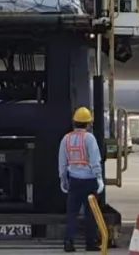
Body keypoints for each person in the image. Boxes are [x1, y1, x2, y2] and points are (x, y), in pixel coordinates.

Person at [58, 107, 104, 253]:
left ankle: (68, 242)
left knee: (72, 213)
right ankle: (90, 243)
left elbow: (62, 162)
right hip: (90, 181)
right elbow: (95, 160)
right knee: (90, 213)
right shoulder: (89, 138)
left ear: (74, 122)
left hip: (74, 181)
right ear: (89, 124)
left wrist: (63, 179)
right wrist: (99, 177)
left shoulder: (66, 139)